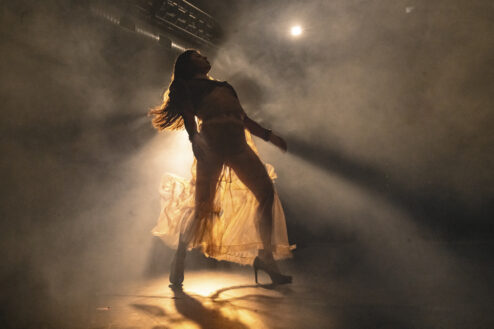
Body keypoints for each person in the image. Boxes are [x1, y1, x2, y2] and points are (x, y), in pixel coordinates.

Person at [148, 50, 294, 286]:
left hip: (238, 145)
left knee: (266, 193)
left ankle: (266, 257)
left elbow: (244, 119)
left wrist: (270, 136)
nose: (204, 57)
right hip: (212, 146)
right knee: (202, 208)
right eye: (197, 56)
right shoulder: (186, 86)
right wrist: (194, 138)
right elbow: (187, 114)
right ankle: (180, 255)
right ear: (187, 63)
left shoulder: (226, 86)